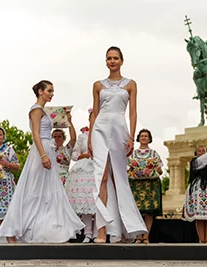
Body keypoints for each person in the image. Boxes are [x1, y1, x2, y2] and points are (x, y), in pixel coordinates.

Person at [0, 80, 84, 243]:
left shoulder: (42, 110)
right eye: (49, 90)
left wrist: (68, 120)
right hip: (41, 149)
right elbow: (35, 133)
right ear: (41, 92)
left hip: (47, 149)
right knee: (32, 188)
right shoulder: (36, 110)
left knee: (46, 190)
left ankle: (37, 227)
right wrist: (43, 155)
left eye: (52, 91)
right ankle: (12, 230)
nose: (52, 93)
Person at [88, 46, 147, 243]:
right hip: (100, 129)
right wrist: (89, 138)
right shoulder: (97, 85)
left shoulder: (131, 84)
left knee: (119, 178)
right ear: (106, 62)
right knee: (101, 177)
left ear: (122, 61)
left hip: (120, 129)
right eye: (109, 58)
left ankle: (125, 227)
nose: (112, 61)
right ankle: (102, 230)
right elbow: (94, 113)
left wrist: (131, 137)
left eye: (115, 58)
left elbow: (133, 112)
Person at [65, 108, 97, 243]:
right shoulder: (83, 136)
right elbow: (74, 154)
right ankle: (88, 232)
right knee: (86, 201)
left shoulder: (104, 134)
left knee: (98, 201)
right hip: (84, 168)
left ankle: (98, 231)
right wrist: (85, 155)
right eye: (92, 117)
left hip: (99, 167)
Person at [128, 129, 163, 244]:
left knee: (149, 212)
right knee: (137, 211)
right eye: (142, 136)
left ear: (149, 139)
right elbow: (128, 168)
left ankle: (146, 236)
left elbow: (160, 170)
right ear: (138, 138)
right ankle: (138, 236)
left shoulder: (154, 154)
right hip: (136, 185)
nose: (143, 138)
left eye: (146, 136)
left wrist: (153, 171)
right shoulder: (132, 153)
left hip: (150, 185)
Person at [52, 114, 76, 186]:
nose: (57, 139)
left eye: (59, 136)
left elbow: (73, 139)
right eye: (55, 137)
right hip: (50, 180)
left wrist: (69, 122)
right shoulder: (47, 150)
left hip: (64, 181)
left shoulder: (67, 149)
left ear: (63, 138)